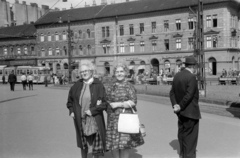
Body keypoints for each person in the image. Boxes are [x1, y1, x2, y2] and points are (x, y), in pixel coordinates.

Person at [66, 60, 107, 158]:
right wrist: (71, 111)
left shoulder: (98, 85)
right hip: (80, 119)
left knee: (95, 144)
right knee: (83, 144)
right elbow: (70, 101)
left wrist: (92, 111)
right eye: (81, 71)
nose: (83, 73)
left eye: (86, 71)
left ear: (91, 71)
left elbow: (104, 103)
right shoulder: (76, 85)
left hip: (94, 118)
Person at [105, 62, 144, 158]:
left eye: (121, 71)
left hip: (126, 119)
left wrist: (119, 104)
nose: (119, 74)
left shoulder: (129, 86)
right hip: (113, 120)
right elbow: (107, 102)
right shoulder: (111, 87)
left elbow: (133, 101)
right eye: (117, 72)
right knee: (114, 145)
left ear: (126, 72)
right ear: (114, 73)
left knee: (124, 145)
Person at [170, 56, 201, 158]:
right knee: (191, 137)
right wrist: (180, 106)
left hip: (180, 113)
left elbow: (172, 93)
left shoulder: (177, 75)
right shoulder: (191, 77)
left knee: (182, 133)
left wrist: (175, 105)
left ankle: (182, 154)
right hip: (190, 112)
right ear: (193, 66)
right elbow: (189, 95)